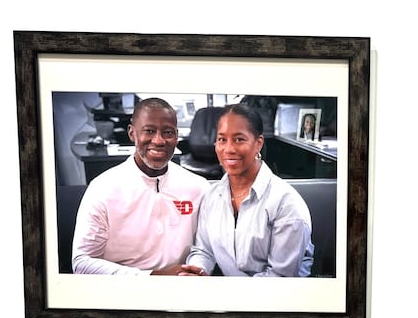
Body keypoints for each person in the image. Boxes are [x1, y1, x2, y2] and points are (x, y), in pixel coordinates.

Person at [71, 97, 211, 275]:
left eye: (168, 132)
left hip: (182, 287)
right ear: (132, 133)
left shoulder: (199, 187)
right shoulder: (102, 189)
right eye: (149, 131)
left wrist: (195, 271)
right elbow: (82, 263)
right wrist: (151, 277)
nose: (159, 140)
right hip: (123, 293)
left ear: (176, 136)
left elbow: (204, 248)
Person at [183, 103, 314, 276]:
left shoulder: (286, 204)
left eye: (239, 139)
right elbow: (203, 250)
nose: (229, 149)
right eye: (222, 139)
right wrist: (196, 271)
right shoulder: (213, 196)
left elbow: (280, 278)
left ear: (258, 143)